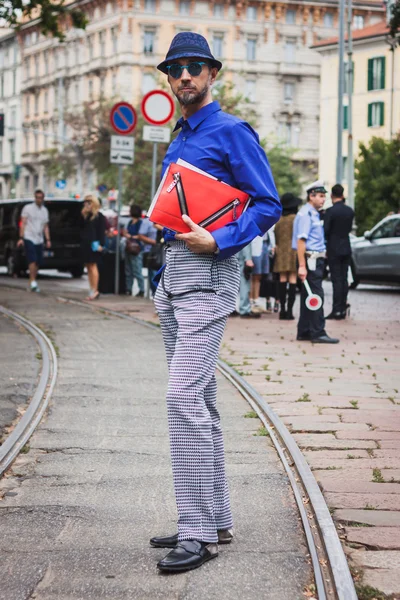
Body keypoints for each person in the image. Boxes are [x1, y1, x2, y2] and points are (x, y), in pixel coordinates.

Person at [150, 32, 281, 573]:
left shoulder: (231, 131)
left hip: (209, 280)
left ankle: (196, 532)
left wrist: (222, 239)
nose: (185, 76)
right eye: (176, 68)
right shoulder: (178, 136)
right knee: (200, 401)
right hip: (174, 282)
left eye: (195, 67)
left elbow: (268, 203)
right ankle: (216, 518)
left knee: (182, 399)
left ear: (212, 74)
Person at [292, 180, 339, 344]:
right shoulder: (307, 214)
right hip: (310, 260)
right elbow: (301, 241)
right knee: (316, 296)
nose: (323, 199)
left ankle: (304, 330)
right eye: (320, 196)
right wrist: (302, 266)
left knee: (308, 295)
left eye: (324, 196)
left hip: (314, 259)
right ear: (311, 196)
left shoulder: (311, 213)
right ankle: (318, 332)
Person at [323, 184, 354, 319]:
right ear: (342, 194)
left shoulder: (330, 211)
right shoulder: (349, 211)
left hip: (334, 248)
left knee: (336, 279)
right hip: (346, 246)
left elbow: (326, 230)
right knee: (344, 278)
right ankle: (343, 307)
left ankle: (336, 310)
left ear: (332, 195)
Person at [274, 193, 302, 320]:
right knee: (292, 280)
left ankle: (282, 310)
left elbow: (276, 238)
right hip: (294, 253)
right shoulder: (296, 219)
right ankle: (290, 311)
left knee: (282, 279)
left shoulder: (279, 221)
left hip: (281, 254)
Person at [17, 189, 51, 292]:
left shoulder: (45, 211)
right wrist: (21, 238)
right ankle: (32, 281)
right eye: (37, 198)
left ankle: (33, 279)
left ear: (43, 198)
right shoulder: (27, 208)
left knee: (38, 261)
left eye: (40, 198)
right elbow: (23, 223)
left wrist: (48, 239)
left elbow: (45, 226)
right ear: (34, 198)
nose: (38, 200)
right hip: (29, 237)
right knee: (32, 259)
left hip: (39, 239)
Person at [123, 204, 157, 297]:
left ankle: (141, 289)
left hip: (137, 249)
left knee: (137, 270)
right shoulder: (130, 222)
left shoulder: (141, 223)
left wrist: (131, 236)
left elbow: (140, 235)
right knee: (129, 269)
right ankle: (129, 289)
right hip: (129, 248)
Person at [80, 193, 106, 301]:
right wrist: (84, 213)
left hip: (95, 244)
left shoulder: (99, 216)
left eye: (89, 203)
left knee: (93, 265)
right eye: (85, 203)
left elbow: (101, 232)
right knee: (88, 266)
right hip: (86, 244)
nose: (87, 205)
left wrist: (101, 245)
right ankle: (91, 288)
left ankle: (95, 290)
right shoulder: (86, 216)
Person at [250, 230, 274, 313]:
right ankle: (251, 301)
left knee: (260, 275)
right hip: (255, 246)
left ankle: (256, 301)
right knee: (254, 275)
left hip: (265, 245)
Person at [237, 243, 260, 318]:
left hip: (232, 254)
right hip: (241, 255)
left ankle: (229, 308)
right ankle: (244, 309)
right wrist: (248, 258)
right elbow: (245, 239)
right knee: (244, 281)